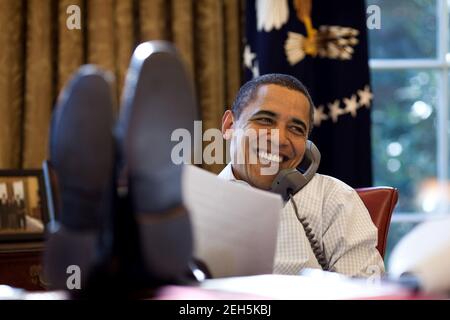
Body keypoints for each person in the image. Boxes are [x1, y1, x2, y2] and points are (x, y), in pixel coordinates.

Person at [218, 73, 384, 277]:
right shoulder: (189, 202)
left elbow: (363, 292)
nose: (279, 139)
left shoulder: (335, 198)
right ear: (229, 127)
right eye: (265, 120)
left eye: (296, 129)